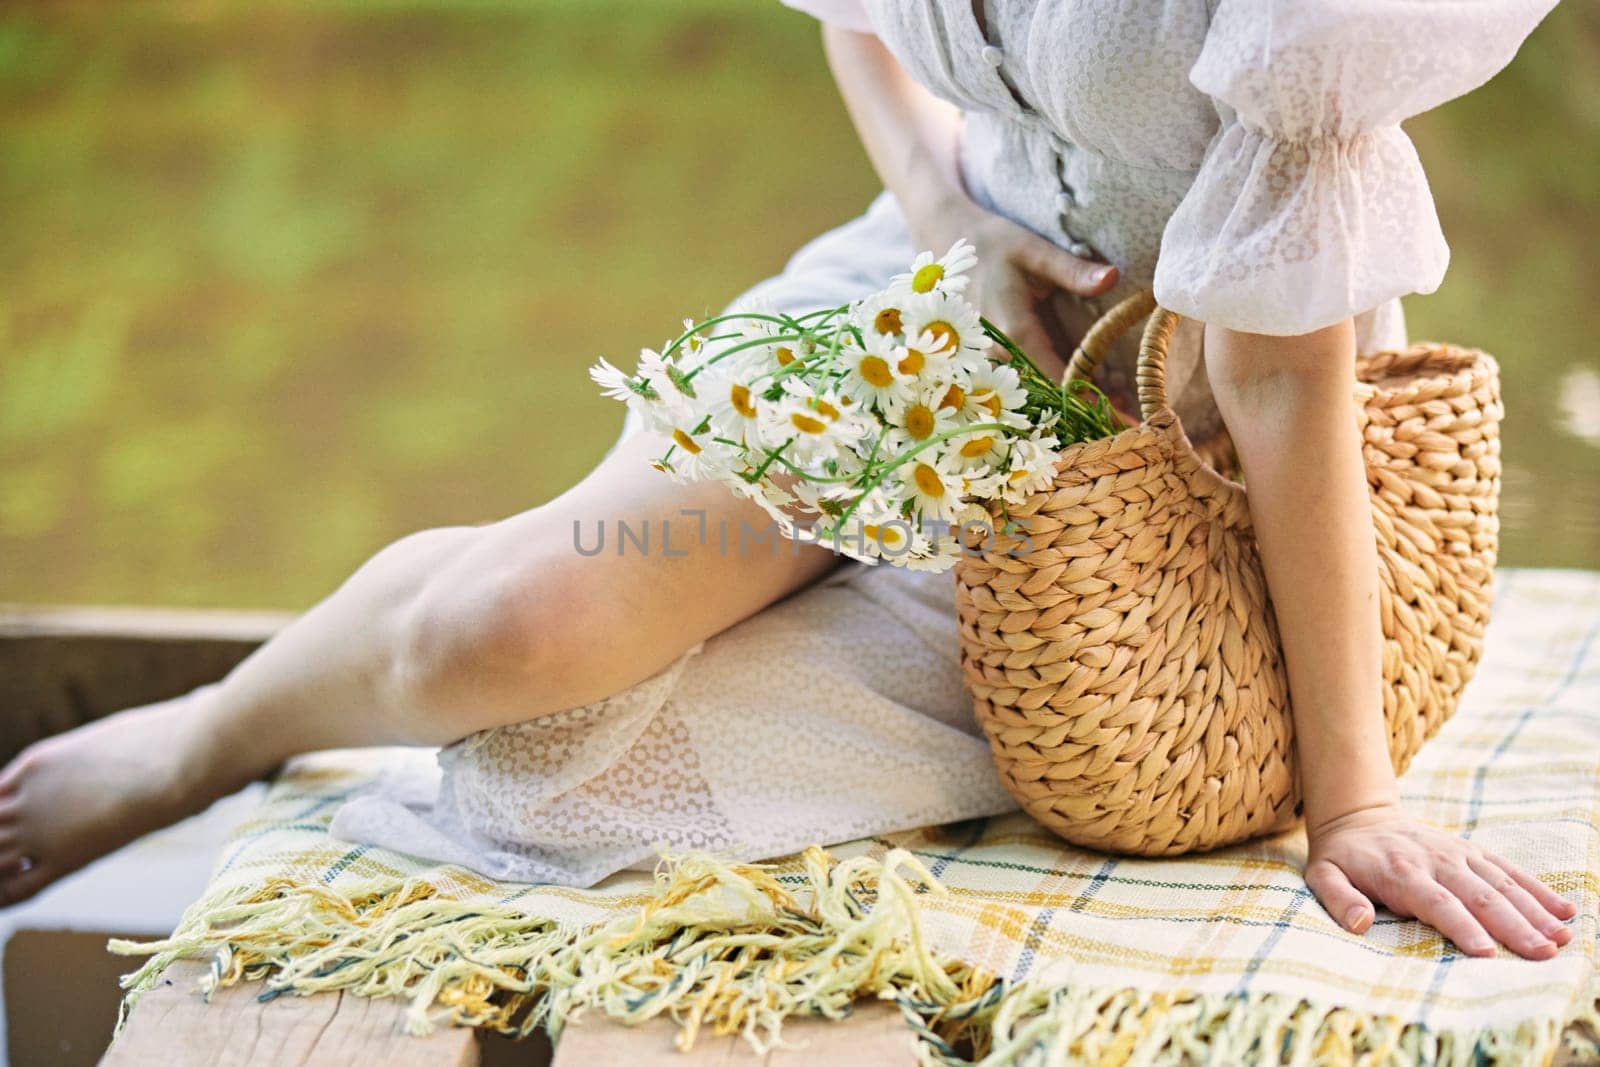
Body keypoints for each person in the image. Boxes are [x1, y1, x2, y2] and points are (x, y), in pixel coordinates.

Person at [0, 0, 1577, 960]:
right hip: (928, 304)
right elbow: (864, 22)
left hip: (1178, 423)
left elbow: (1282, 378)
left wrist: (1353, 802)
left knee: (573, 783)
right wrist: (944, 214)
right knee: (504, 640)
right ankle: (205, 736)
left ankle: (883, 611)